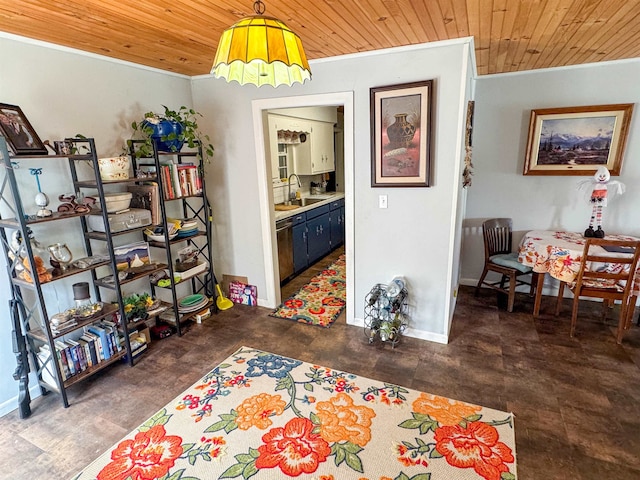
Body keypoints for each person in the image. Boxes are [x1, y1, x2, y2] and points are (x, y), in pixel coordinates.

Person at [578, 166, 625, 238]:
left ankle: (598, 227)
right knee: (594, 212)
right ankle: (591, 227)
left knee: (599, 212)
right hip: (595, 198)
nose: (602, 177)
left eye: (604, 176)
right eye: (600, 175)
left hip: (601, 199)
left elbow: (614, 184)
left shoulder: (605, 185)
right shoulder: (595, 184)